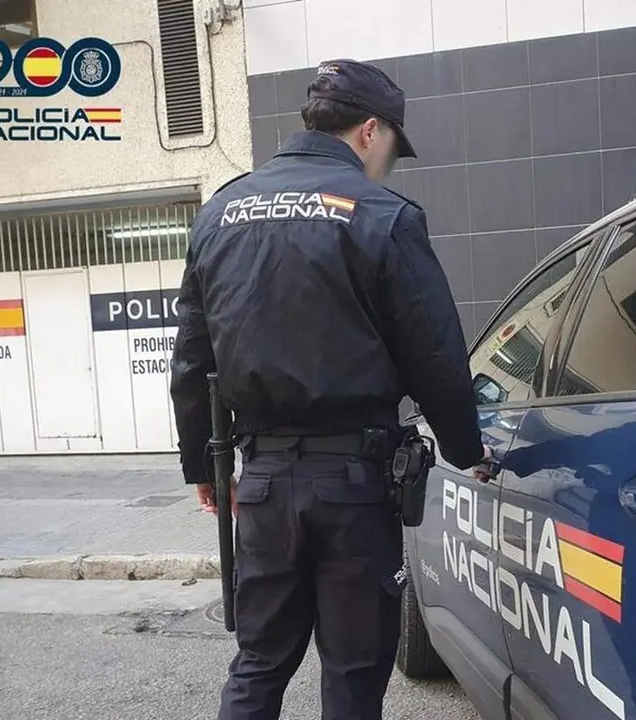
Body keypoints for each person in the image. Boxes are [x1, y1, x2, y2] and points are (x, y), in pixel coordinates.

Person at [169, 58, 494, 720]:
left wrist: (203, 466)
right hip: (353, 485)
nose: (388, 164)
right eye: (392, 147)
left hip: (261, 483)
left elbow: (192, 358)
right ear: (369, 130)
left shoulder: (221, 211)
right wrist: (467, 451)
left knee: (259, 662)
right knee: (353, 674)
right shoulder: (382, 215)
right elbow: (433, 353)